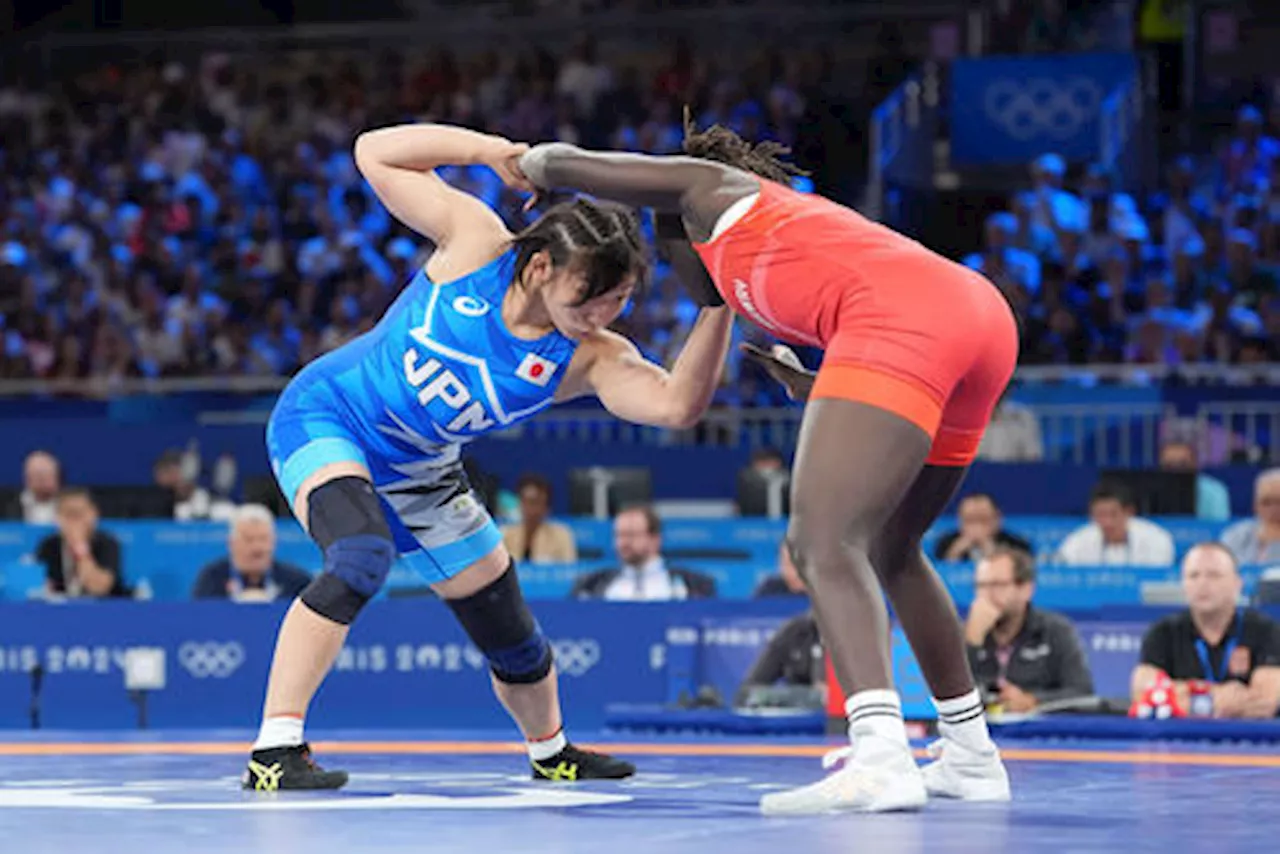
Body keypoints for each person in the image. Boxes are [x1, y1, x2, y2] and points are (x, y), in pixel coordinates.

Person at [514, 115, 1017, 812]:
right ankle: (970, 755)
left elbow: (577, 165)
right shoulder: (781, 244)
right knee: (893, 547)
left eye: (667, 257)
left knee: (820, 543)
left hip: (908, 322)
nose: (682, 281)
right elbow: (895, 395)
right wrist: (812, 386)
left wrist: (524, 162)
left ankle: (880, 757)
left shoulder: (709, 189)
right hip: (974, 322)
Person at [245, 123, 734, 792]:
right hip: (329, 420)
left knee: (511, 633)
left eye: (620, 301)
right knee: (360, 557)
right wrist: (489, 153)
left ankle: (551, 750)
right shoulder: (476, 244)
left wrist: (718, 304)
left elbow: (679, 405)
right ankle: (275, 751)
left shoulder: (592, 357)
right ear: (541, 268)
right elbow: (374, 151)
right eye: (591, 299)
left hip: (424, 470)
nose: (604, 315)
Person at [1131, 542, 1280, 719]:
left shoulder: (1265, 630)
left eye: (1214, 576)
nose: (1202, 584)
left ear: (1237, 584)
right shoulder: (1162, 632)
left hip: (1251, 740)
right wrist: (1213, 699)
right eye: (1193, 576)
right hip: (1178, 740)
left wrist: (1181, 695)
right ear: (1183, 584)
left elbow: (1265, 702)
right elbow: (1144, 694)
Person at [964, 548, 1094, 713]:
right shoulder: (965, 633)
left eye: (997, 585)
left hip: (1038, 732)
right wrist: (971, 642)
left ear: (1026, 589)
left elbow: (1082, 693)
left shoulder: (1055, 631)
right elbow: (946, 696)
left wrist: (1033, 701)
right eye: (980, 586)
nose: (986, 595)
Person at [191, 504, 312, 602]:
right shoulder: (211, 579)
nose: (257, 548)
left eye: (263, 539)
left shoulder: (298, 582)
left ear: (274, 542)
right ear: (231, 543)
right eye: (249, 539)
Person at [35, 488, 129, 599]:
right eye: (69, 514)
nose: (75, 521)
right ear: (57, 518)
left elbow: (98, 588)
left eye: (80, 514)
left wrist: (80, 548)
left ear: (94, 515)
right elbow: (39, 590)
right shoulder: (48, 546)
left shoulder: (108, 544)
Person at [500, 473, 578, 564]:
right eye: (526, 502)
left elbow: (570, 570)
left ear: (547, 507)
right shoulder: (505, 534)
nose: (531, 509)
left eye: (536, 503)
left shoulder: (562, 536)